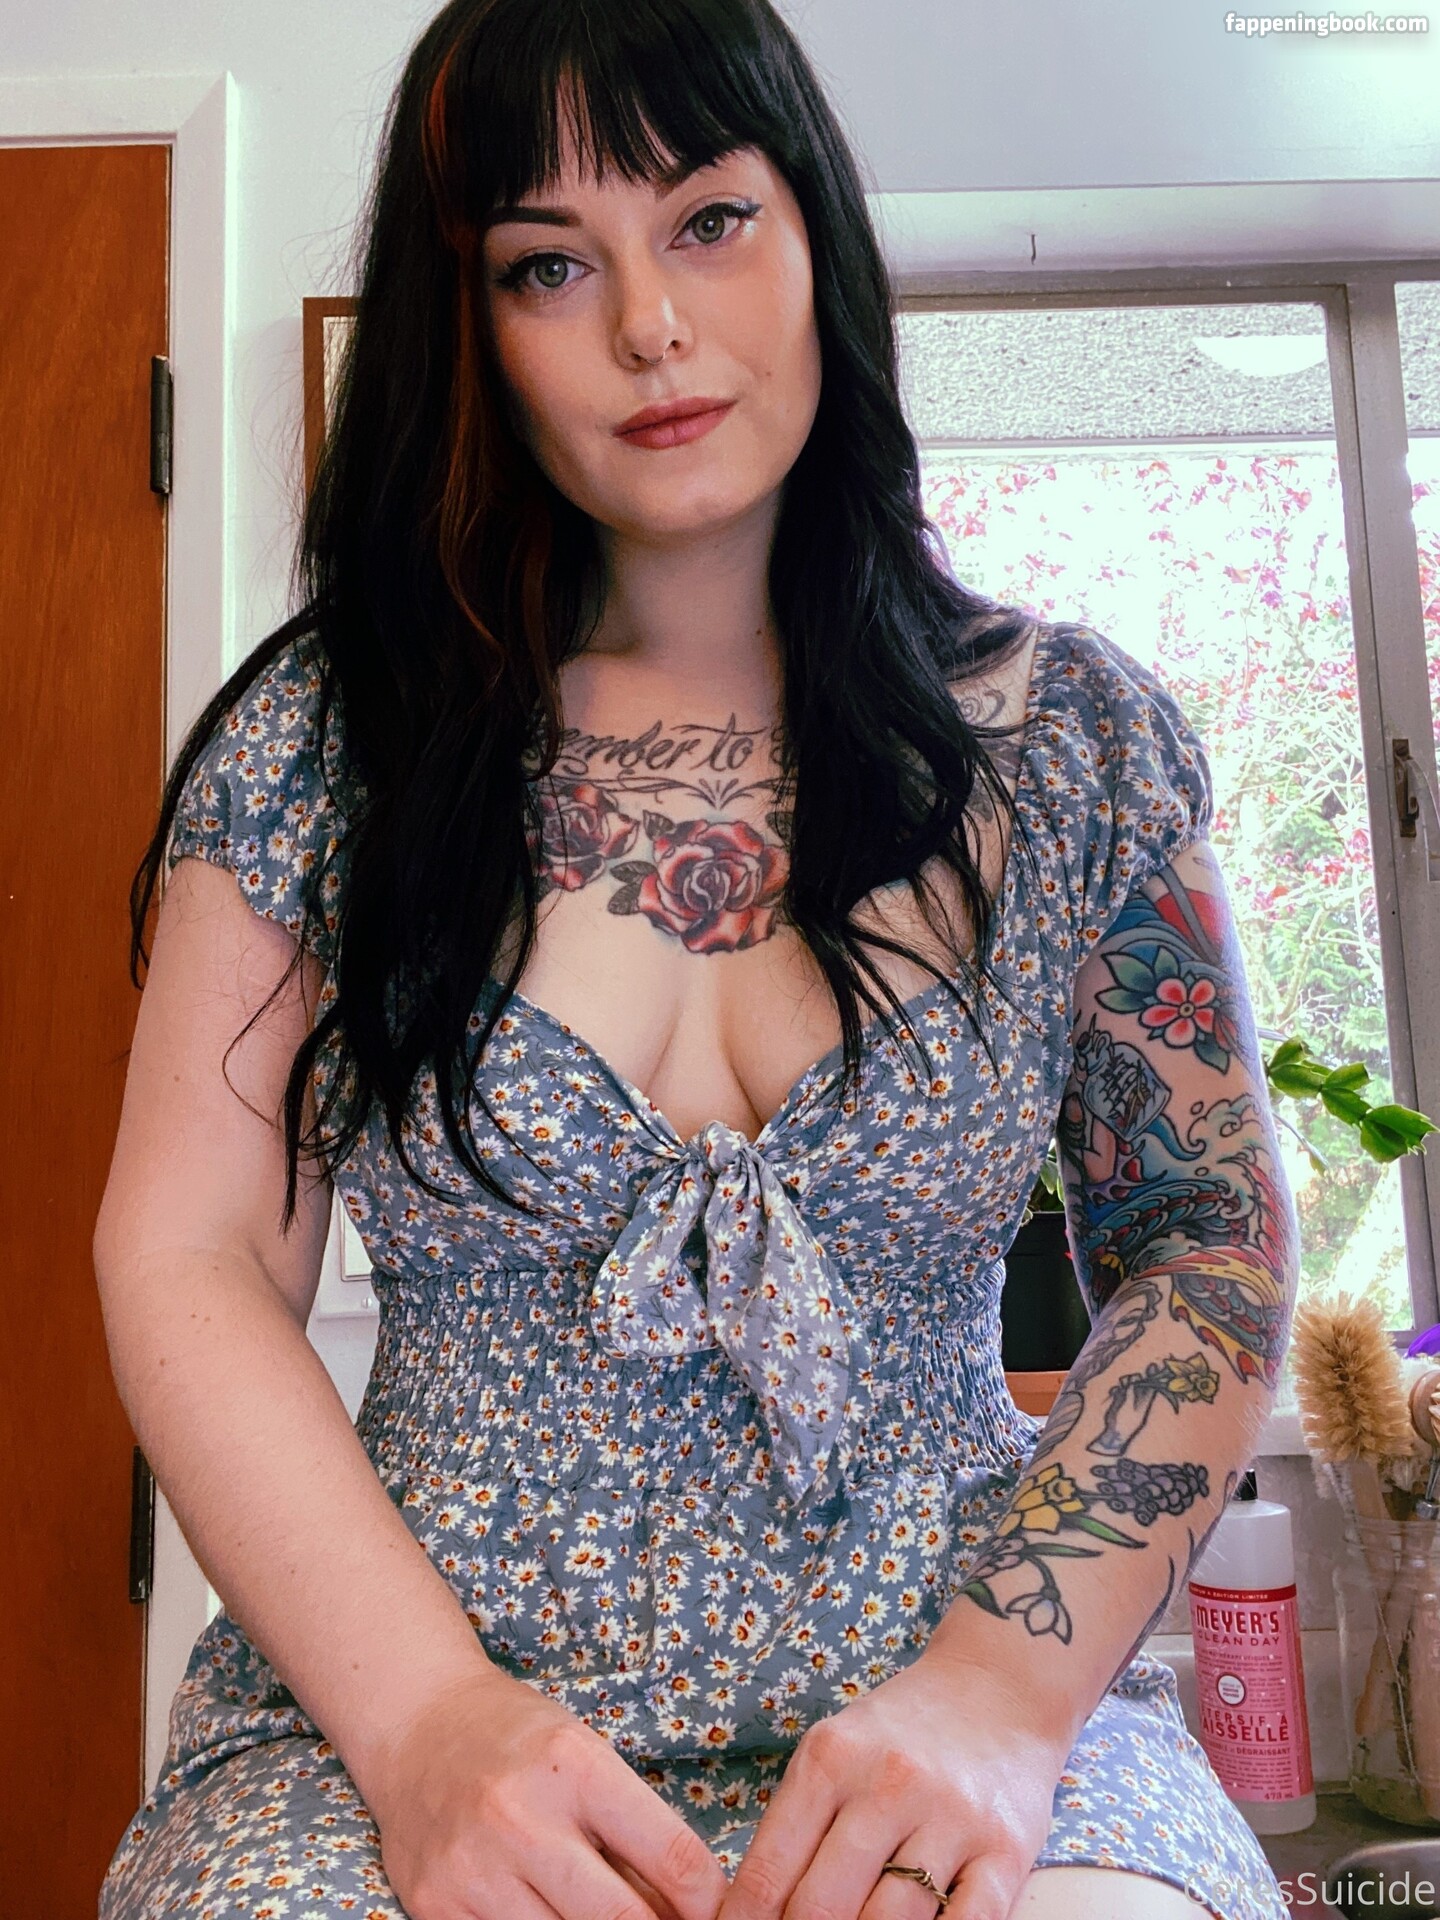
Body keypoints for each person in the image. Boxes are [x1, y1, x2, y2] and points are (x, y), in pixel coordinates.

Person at [95, 1, 1301, 1916]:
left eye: (709, 221)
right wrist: (425, 1724)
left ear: (815, 231)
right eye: (549, 263)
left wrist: (996, 1698)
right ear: (471, 323)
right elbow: (193, 1257)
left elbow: (1206, 1248)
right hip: (402, 1725)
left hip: (964, 1694)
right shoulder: (322, 746)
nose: (649, 324)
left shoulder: (1071, 741)